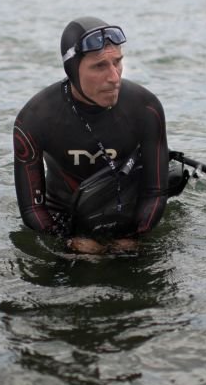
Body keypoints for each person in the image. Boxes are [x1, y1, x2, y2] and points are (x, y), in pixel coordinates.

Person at [13, 16, 170, 254]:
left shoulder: (145, 108)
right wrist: (65, 240)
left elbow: (155, 192)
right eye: (99, 66)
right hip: (64, 217)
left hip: (128, 213)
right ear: (72, 69)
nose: (114, 77)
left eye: (117, 62)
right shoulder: (37, 117)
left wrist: (133, 237)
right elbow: (32, 209)